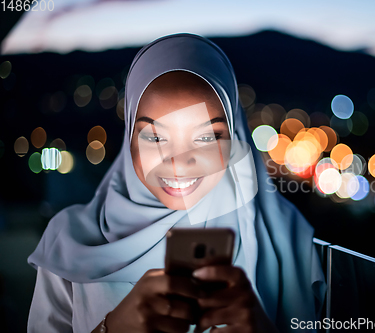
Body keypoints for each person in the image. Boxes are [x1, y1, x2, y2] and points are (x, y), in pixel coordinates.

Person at [27, 33, 326, 333]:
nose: (179, 161)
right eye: (155, 137)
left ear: (234, 139)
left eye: (206, 137)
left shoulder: (286, 240)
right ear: (129, 138)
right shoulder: (68, 243)